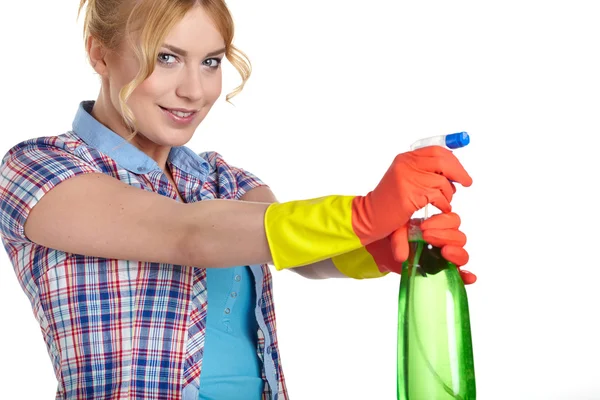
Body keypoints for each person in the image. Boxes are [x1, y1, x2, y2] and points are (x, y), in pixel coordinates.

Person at [0, 1, 475, 399]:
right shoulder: (40, 170)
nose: (194, 90)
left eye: (210, 61)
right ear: (100, 55)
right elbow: (187, 234)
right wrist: (364, 212)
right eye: (166, 57)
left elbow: (301, 253)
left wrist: (378, 246)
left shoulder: (222, 180)